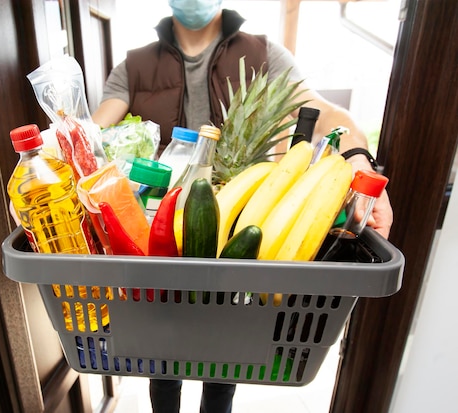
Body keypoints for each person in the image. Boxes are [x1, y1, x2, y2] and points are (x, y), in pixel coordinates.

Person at [92, 1, 393, 412]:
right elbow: (96, 128)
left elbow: (326, 112)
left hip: (243, 226)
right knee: (162, 356)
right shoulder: (135, 66)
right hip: (164, 233)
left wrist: (359, 158)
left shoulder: (264, 55)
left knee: (226, 354)